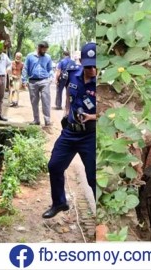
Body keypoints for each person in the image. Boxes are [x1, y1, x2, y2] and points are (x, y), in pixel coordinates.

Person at [43, 42, 97, 218]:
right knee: (55, 166)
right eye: (89, 66)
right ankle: (59, 203)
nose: (92, 70)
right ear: (81, 62)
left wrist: (92, 117)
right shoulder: (73, 74)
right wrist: (67, 111)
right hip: (71, 132)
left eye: (96, 66)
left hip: (90, 135)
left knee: (93, 177)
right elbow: (68, 94)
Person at [24, 41, 54, 127]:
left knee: (46, 101)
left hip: (44, 81)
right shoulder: (30, 56)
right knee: (34, 102)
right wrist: (24, 80)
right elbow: (25, 68)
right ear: (39, 48)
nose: (45, 51)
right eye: (43, 49)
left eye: (46, 50)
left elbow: (50, 69)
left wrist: (51, 77)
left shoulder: (48, 57)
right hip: (32, 81)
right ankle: (36, 120)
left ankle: (47, 121)